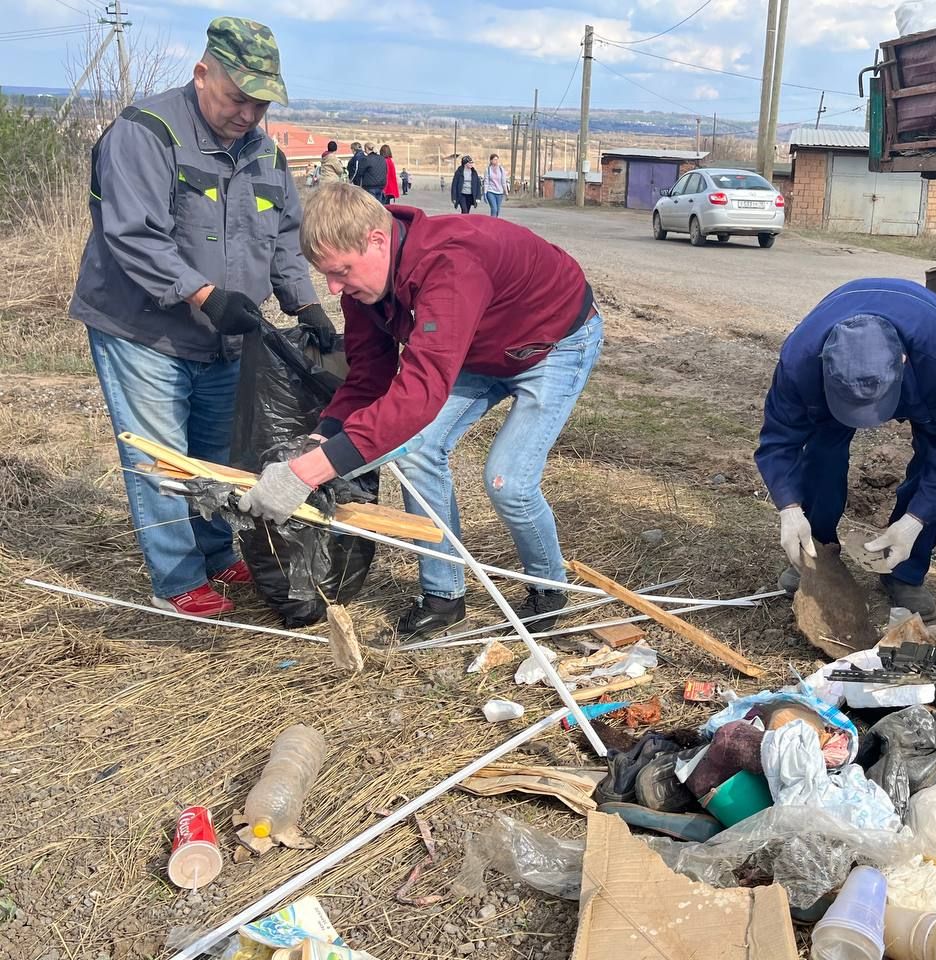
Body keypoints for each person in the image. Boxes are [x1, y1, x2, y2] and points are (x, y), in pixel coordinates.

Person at [237, 183, 604, 639]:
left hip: (552, 343)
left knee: (507, 480)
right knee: (416, 452)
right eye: (326, 275)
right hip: (475, 349)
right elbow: (368, 377)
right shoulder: (364, 289)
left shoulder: (453, 265)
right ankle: (443, 595)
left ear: (376, 239)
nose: (334, 288)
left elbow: (419, 394)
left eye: (341, 271)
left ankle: (548, 587)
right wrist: (319, 440)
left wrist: (307, 473)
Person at [70, 17, 334, 617]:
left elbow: (285, 239)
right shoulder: (147, 133)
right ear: (202, 73)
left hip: (227, 338)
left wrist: (306, 302)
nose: (249, 114)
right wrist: (204, 294)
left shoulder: (267, 154)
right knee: (163, 459)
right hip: (143, 330)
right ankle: (178, 576)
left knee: (218, 454)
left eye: (261, 102)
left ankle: (217, 552)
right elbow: (133, 236)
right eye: (238, 98)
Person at [755, 279, 936, 621]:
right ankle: (816, 551)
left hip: (927, 364)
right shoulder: (800, 363)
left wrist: (916, 520)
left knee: (935, 455)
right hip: (837, 365)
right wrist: (789, 506)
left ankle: (905, 569)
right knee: (821, 451)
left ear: (902, 361)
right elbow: (778, 440)